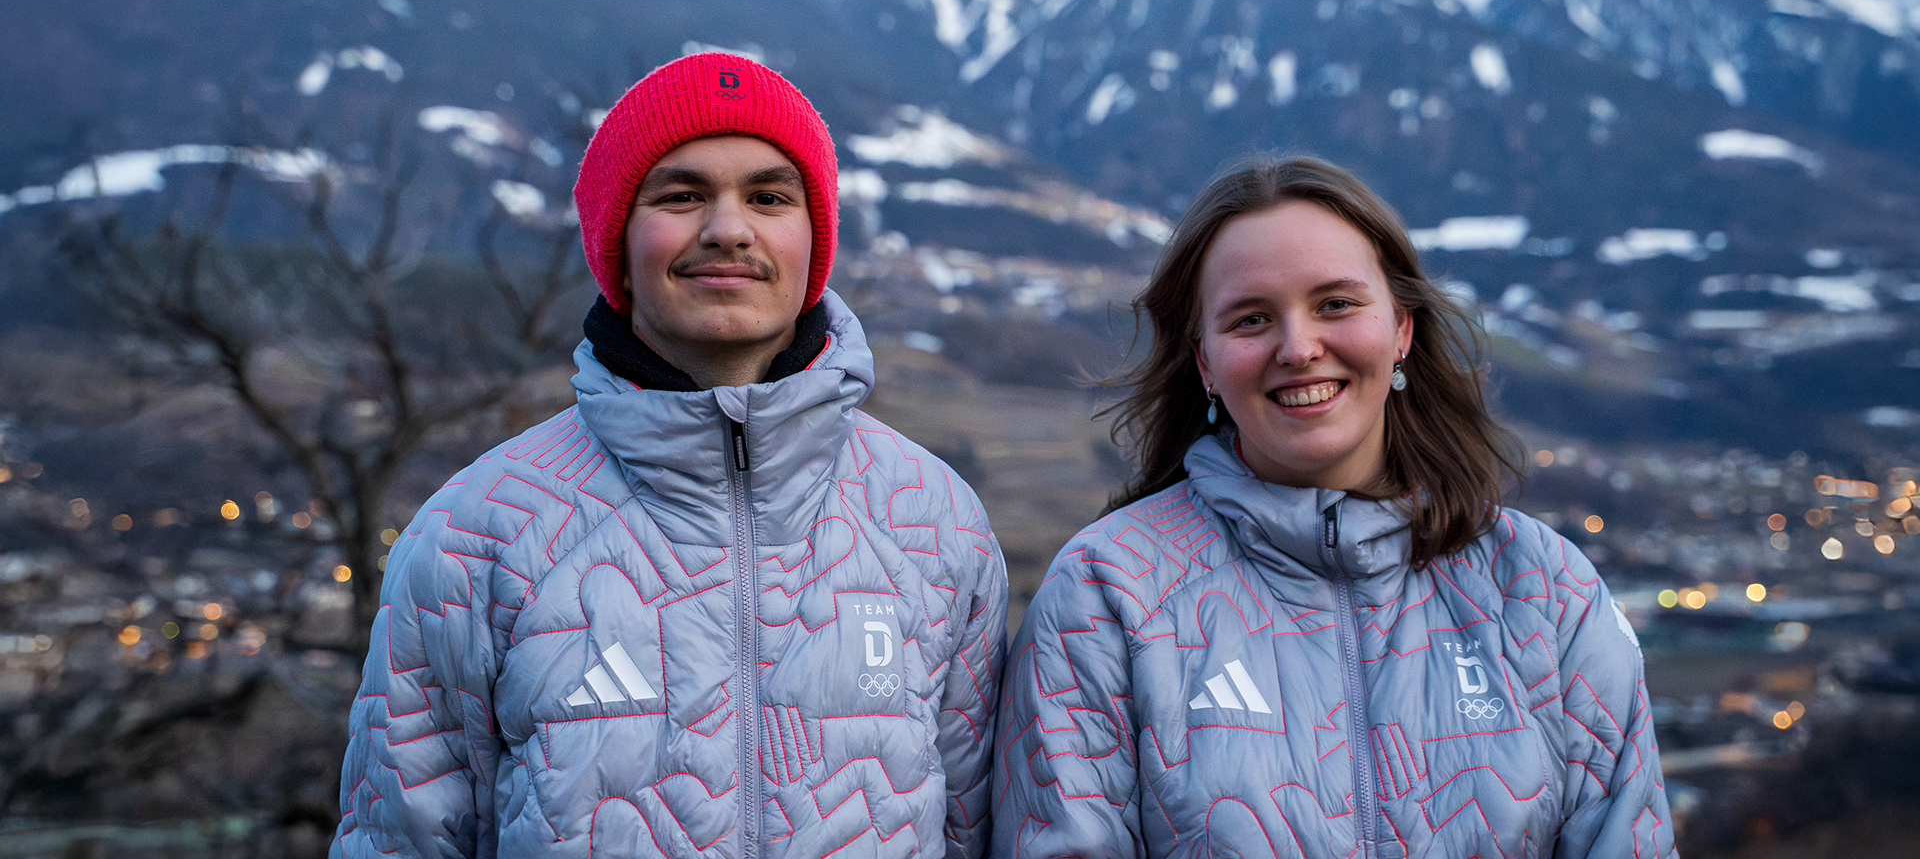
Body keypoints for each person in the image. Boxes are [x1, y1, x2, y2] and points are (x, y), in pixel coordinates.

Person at [334, 53, 1008, 859]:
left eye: (768, 197)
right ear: (617, 239)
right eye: (682, 195)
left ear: (814, 238)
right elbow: (398, 840)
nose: (728, 229)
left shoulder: (937, 522)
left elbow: (977, 829)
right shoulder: (473, 536)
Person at [991, 156, 1674, 859]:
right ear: (1204, 363)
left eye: (1336, 304)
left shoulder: (1543, 590)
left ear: (1402, 328)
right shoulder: (1108, 594)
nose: (1299, 347)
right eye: (1251, 319)